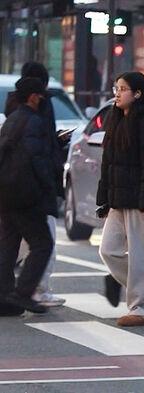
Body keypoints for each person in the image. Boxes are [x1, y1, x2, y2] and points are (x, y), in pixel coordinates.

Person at [97, 71, 144, 327]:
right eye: (116, 87)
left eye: (123, 88)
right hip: (119, 197)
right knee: (109, 250)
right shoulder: (115, 118)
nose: (117, 92)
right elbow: (109, 163)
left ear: (137, 93)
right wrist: (104, 197)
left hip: (141, 198)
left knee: (142, 255)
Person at [6, 62, 66, 308]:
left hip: (9, 190)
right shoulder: (33, 119)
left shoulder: (12, 115)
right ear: (34, 96)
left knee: (9, 245)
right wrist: (50, 188)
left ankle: (7, 295)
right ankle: (27, 292)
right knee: (43, 243)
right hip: (28, 192)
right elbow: (36, 156)